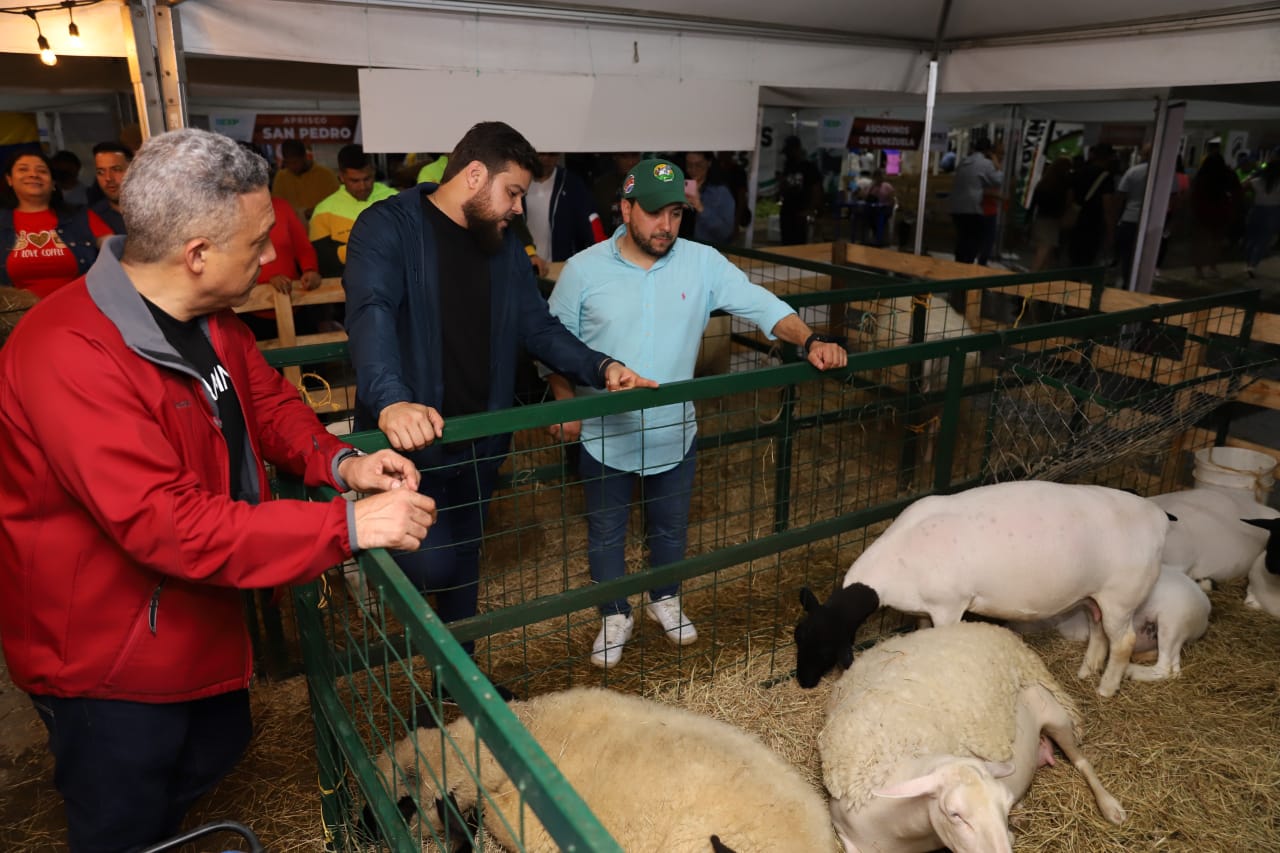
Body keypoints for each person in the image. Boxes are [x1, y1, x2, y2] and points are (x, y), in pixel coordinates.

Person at [0, 128, 437, 853]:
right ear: (196, 253)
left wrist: (340, 463)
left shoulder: (206, 317)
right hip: (107, 656)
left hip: (194, 614)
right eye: (259, 241)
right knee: (124, 817)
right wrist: (347, 527)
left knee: (214, 745)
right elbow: (167, 525)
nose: (272, 257)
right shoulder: (66, 353)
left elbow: (263, 401)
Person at [343, 121, 656, 644]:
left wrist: (601, 368)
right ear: (472, 175)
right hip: (412, 444)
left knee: (466, 563)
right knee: (431, 566)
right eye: (512, 192)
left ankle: (459, 695)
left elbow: (536, 326)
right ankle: (361, 560)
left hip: (483, 438)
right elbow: (370, 314)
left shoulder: (502, 245)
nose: (517, 208)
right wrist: (392, 402)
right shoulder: (387, 227)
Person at [545, 158, 848, 668]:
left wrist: (812, 337)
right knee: (606, 532)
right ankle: (614, 612)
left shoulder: (702, 262)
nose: (666, 226)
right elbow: (551, 342)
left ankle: (665, 597)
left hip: (672, 431)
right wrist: (563, 403)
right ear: (625, 208)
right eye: (654, 214)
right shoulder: (583, 270)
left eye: (677, 215)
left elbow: (760, 303)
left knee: (669, 528)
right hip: (604, 433)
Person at [1, 150, 112, 299]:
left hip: (80, 309)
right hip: (18, 318)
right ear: (9, 179)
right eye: (23, 169)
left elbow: (116, 251)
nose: (33, 174)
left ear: (53, 182)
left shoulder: (80, 216)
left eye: (42, 171)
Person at [310, 143, 397, 277]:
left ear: (374, 172)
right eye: (354, 181)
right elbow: (324, 263)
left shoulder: (396, 199)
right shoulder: (323, 211)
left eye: (367, 179)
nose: (362, 186)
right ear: (341, 177)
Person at [524, 151, 606, 277]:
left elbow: (591, 223)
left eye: (552, 154)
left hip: (559, 269)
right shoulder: (520, 182)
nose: (545, 159)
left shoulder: (571, 184)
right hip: (524, 265)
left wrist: (604, 255)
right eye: (541, 154)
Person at [948, 138, 1002, 265]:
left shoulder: (963, 162)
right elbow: (998, 180)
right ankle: (967, 268)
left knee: (962, 238)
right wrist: (996, 163)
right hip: (973, 207)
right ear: (988, 151)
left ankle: (958, 266)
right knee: (973, 240)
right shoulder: (985, 164)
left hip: (957, 207)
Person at [1190, 152, 1243, 279]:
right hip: (1221, 211)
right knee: (1216, 241)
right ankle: (1212, 266)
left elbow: (1195, 193)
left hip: (1202, 211)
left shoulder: (1202, 175)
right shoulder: (1228, 175)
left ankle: (1198, 269)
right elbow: (1237, 192)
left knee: (1200, 241)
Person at [1067, 143, 1117, 268]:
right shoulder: (1106, 177)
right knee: (1087, 258)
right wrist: (1111, 229)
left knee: (1074, 256)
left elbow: (1070, 194)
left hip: (1076, 217)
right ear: (1110, 158)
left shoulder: (1080, 171)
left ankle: (1071, 279)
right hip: (1093, 221)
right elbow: (1107, 204)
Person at [1113, 144, 1153, 288]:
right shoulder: (1165, 172)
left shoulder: (1133, 172)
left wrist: (1116, 218)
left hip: (1129, 218)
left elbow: (1121, 196)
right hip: (1153, 221)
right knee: (1147, 255)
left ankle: (1127, 281)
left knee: (1127, 255)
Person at [271, 139, 338, 223]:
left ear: (305, 157)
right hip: (292, 228)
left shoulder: (326, 175)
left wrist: (314, 211)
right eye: (288, 163)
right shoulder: (281, 177)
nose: (292, 166)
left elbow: (336, 204)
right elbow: (277, 206)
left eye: (295, 162)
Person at [1026, 157, 1074, 272]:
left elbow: (1033, 203)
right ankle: (1030, 279)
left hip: (1040, 218)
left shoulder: (1044, 182)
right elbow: (1069, 201)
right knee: (1044, 251)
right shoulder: (1065, 184)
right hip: (1053, 220)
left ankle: (1040, 278)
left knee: (1044, 251)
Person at [679, 151, 736, 245]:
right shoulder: (681, 184)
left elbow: (725, 232)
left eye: (698, 165)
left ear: (708, 163)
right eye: (689, 165)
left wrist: (700, 208)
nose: (693, 169)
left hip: (709, 251)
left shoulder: (720, 192)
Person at [1243, 147, 1280, 278]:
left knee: (1251, 238)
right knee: (1262, 241)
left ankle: (1248, 262)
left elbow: (1243, 186)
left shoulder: (1258, 181)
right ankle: (1252, 265)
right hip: (1273, 212)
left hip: (1256, 209)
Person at [778, 136, 823, 245]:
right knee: (786, 245)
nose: (787, 155)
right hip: (787, 213)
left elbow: (816, 190)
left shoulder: (809, 167)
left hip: (802, 214)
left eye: (789, 151)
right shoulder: (787, 167)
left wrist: (810, 210)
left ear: (797, 149)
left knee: (800, 246)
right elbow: (783, 189)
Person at [592, 152, 642, 234]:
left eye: (634, 155)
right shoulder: (602, 185)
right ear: (615, 157)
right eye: (624, 156)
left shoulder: (648, 184)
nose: (630, 162)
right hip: (609, 240)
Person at [89, 142, 132, 234]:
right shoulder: (92, 219)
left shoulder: (155, 209)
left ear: (133, 170)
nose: (108, 178)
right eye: (101, 172)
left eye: (116, 169)